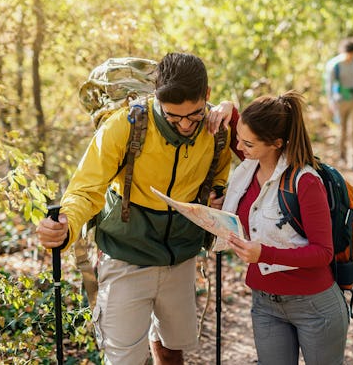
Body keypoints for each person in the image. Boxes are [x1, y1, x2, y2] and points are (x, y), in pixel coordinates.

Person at [36, 52, 232, 365]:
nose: (184, 125)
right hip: (126, 252)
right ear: (156, 94)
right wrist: (65, 226)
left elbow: (220, 174)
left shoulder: (216, 129)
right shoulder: (124, 126)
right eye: (172, 116)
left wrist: (218, 195)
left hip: (181, 255)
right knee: (124, 358)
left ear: (206, 96)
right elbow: (86, 189)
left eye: (193, 115)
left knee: (171, 347)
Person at [220, 90, 349, 365]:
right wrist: (227, 107)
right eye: (239, 140)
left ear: (276, 142)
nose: (240, 148)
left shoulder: (305, 182)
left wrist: (264, 254)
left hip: (314, 306)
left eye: (248, 144)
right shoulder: (249, 166)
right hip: (265, 305)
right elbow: (234, 124)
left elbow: (323, 253)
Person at [324, 40, 353, 169]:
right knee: (341, 130)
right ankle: (341, 156)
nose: (351, 56)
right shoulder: (334, 65)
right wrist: (330, 102)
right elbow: (329, 85)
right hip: (339, 101)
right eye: (350, 54)